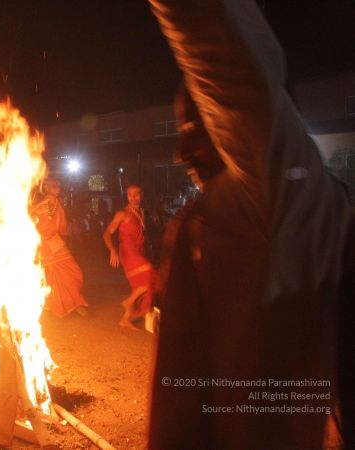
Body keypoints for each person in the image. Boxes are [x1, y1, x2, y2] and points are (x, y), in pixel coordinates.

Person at [146, 1, 353, 449]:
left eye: (195, 127)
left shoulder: (282, 194)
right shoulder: (218, 213)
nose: (181, 153)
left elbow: (213, 34)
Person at [31, 178, 88, 317]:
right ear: (45, 188)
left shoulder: (58, 204)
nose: (58, 188)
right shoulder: (39, 203)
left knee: (75, 272)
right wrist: (43, 204)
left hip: (55, 241)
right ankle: (56, 305)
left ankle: (74, 302)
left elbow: (62, 227)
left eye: (59, 185)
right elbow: (27, 216)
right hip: (43, 243)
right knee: (51, 277)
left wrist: (73, 229)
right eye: (54, 185)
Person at [103, 184, 155, 330]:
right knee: (150, 272)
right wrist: (111, 249)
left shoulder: (141, 212)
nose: (133, 197)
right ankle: (129, 301)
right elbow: (107, 233)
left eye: (136, 194)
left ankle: (125, 319)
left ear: (142, 194)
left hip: (139, 251)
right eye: (129, 194)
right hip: (127, 251)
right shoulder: (122, 214)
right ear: (126, 196)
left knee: (143, 285)